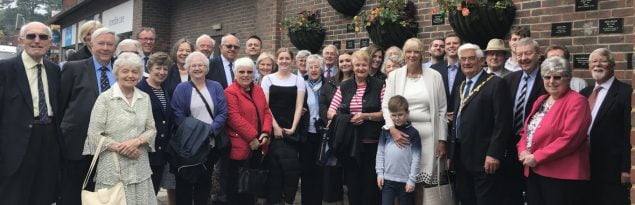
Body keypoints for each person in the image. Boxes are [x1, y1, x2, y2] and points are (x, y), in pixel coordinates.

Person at [82, 52, 158, 204]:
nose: (130, 75)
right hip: (112, 168)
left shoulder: (145, 98)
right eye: (125, 71)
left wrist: (136, 142)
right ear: (116, 73)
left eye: (135, 71)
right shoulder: (105, 98)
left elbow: (151, 129)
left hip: (139, 166)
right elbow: (94, 134)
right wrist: (120, 147)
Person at [0, 21, 61, 205]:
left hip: (49, 140)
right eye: (31, 36)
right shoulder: (5, 69)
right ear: (21, 40)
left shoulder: (54, 70)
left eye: (43, 37)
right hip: (15, 145)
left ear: (50, 42)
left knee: (43, 194)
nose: (37, 41)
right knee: (14, 196)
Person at [383, 38, 449, 205]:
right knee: (399, 181)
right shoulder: (395, 76)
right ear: (404, 54)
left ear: (422, 54)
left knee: (420, 184)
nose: (412, 55)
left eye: (416, 51)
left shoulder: (435, 76)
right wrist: (392, 129)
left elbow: (442, 110)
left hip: (428, 139)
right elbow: (385, 105)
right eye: (409, 51)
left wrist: (442, 140)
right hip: (401, 137)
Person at [517, 56, 591, 205]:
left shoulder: (577, 101)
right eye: (547, 77)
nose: (551, 81)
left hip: (562, 175)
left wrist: (537, 157)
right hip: (534, 171)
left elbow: (570, 139)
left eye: (557, 77)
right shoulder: (541, 100)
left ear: (568, 78)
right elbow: (526, 132)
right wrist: (523, 151)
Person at [59, 27, 119, 205]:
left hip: (111, 145)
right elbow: (61, 104)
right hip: (77, 143)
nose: (106, 48)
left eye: (110, 44)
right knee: (73, 193)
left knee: (103, 195)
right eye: (101, 43)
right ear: (91, 45)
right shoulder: (73, 68)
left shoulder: (121, 70)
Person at [451, 43, 512, 205]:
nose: (466, 62)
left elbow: (502, 123)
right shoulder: (461, 86)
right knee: (466, 199)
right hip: (462, 157)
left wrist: (494, 153)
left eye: (471, 58)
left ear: (481, 61)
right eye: (463, 59)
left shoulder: (495, 84)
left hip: (484, 158)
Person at [327, 50, 385, 205]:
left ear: (369, 66)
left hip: (371, 143)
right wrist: (348, 119)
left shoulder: (379, 85)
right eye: (357, 65)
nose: (360, 68)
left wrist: (366, 116)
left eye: (364, 65)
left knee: (371, 186)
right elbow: (330, 112)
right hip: (350, 144)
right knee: (353, 186)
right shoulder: (344, 86)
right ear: (353, 66)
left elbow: (385, 112)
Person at [171, 51, 228, 205]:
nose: (197, 68)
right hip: (188, 145)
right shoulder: (181, 89)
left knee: (204, 182)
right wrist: (196, 133)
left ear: (206, 68)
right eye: (193, 65)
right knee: (185, 184)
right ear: (188, 68)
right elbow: (178, 115)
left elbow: (223, 112)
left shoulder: (215, 86)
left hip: (209, 143)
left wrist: (210, 131)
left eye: (201, 65)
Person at [582, 48, 632, 205]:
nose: (597, 65)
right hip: (583, 163)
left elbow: (628, 131)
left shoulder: (626, 93)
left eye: (602, 60)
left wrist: (626, 167)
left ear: (612, 65)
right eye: (593, 61)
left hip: (611, 168)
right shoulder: (584, 92)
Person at [502, 38, 547, 205]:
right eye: (519, 54)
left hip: (537, 147)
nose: (523, 58)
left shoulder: (547, 79)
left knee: (534, 193)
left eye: (528, 53)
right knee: (511, 191)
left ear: (538, 55)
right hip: (511, 145)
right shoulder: (509, 79)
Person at [223, 57, 272, 205]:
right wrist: (253, 137)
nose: (245, 75)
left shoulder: (258, 90)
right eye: (241, 71)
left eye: (249, 72)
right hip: (240, 145)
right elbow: (233, 117)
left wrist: (265, 132)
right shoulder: (230, 92)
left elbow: (266, 112)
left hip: (257, 145)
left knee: (251, 187)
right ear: (235, 73)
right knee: (235, 187)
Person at [261, 47, 306, 204]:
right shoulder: (268, 79)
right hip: (274, 130)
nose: (284, 61)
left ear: (291, 60)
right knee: (275, 170)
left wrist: (293, 128)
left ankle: (288, 200)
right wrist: (275, 127)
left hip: (291, 131)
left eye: (287, 58)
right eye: (281, 58)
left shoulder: (298, 80)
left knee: (291, 170)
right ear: (277, 60)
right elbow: (265, 106)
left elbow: (299, 106)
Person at [319, 52, 354, 205]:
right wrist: (329, 118)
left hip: (352, 132)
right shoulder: (331, 83)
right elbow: (323, 105)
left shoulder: (358, 81)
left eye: (348, 60)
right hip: (334, 132)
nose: (345, 63)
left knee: (351, 174)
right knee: (334, 172)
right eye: (342, 61)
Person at [136, 52, 173, 195]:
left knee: (153, 193)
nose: (162, 72)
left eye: (165, 69)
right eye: (158, 68)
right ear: (150, 68)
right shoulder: (140, 88)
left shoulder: (165, 89)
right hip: (143, 152)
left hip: (160, 153)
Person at [376, 95, 422, 205]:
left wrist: (412, 179)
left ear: (407, 113)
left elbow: (416, 158)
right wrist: (380, 174)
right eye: (394, 115)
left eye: (400, 114)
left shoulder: (414, 133)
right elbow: (380, 154)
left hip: (405, 181)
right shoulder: (386, 131)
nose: (397, 118)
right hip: (387, 180)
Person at [299, 54, 325, 205]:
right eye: (311, 67)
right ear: (306, 69)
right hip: (306, 134)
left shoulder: (328, 85)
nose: (314, 70)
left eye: (316, 67)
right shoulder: (301, 84)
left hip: (322, 135)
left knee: (320, 172)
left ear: (321, 69)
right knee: (306, 171)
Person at [431, 35, 465, 117]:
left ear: (461, 46)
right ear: (445, 47)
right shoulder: (434, 69)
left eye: (455, 43)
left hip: (461, 117)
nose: (451, 45)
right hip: (440, 117)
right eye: (448, 43)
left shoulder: (467, 68)